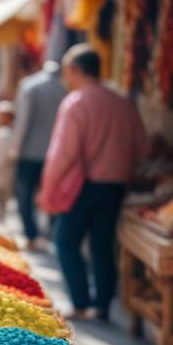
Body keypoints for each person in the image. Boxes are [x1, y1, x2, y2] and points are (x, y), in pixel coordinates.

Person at [40, 44, 148, 321]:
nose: (65, 77)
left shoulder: (76, 103)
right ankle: (102, 305)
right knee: (103, 244)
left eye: (66, 70)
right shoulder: (122, 102)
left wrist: (48, 188)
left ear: (75, 69)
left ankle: (80, 302)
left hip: (84, 185)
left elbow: (64, 153)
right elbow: (142, 148)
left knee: (65, 241)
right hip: (116, 185)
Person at [11, 59, 66, 249]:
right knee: (53, 193)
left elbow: (22, 121)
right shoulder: (65, 89)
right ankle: (52, 234)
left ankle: (32, 234)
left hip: (29, 152)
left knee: (25, 196)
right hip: (55, 153)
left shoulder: (30, 86)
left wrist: (15, 149)